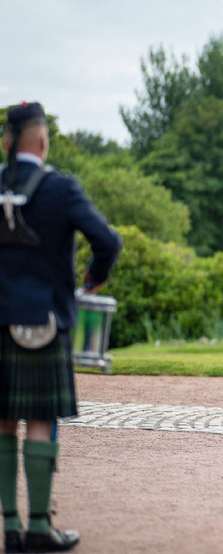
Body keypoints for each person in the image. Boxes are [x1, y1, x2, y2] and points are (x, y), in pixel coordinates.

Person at [0, 102, 122, 553]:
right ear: (43, 141)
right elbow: (107, 241)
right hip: (43, 321)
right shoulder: (60, 188)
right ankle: (37, 526)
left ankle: (9, 527)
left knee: (2, 421)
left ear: (7, 142)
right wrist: (93, 278)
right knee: (38, 418)